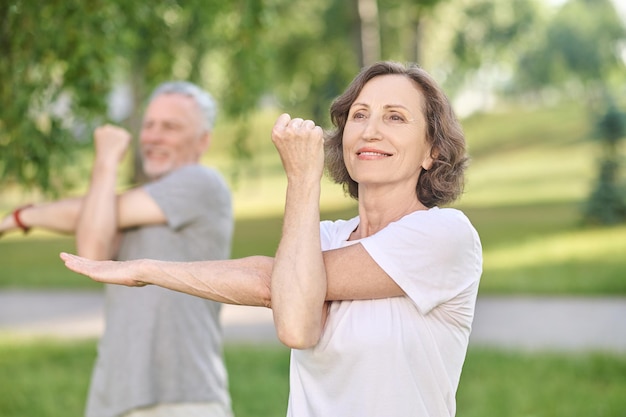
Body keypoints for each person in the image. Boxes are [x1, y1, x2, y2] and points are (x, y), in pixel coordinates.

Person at [61, 61, 483, 417]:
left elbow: (278, 293)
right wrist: (145, 267)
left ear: (432, 151)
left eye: (395, 116)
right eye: (359, 114)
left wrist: (302, 177)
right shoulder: (324, 238)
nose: (370, 130)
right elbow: (293, 312)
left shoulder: (444, 235)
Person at [1, 81, 234, 417]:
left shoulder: (203, 184)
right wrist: (22, 217)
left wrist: (106, 161)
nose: (153, 136)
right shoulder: (125, 205)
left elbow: (91, 230)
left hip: (181, 395)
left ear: (203, 141)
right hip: (114, 395)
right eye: (149, 125)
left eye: (170, 127)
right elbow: (92, 250)